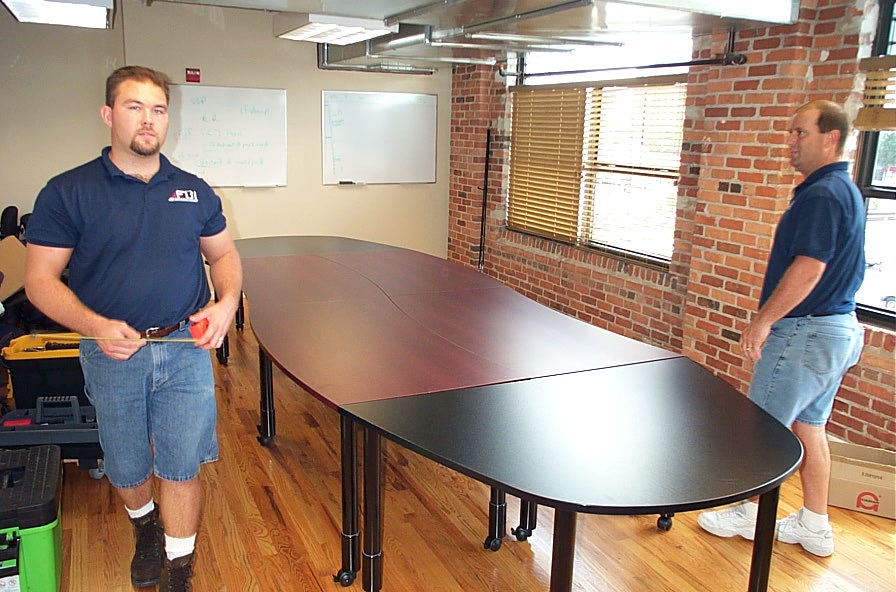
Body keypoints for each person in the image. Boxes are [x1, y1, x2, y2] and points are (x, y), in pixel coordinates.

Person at [24, 66, 243, 591]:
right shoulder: (68, 191)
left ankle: (178, 570)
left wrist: (226, 303)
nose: (148, 119)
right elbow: (39, 281)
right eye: (134, 107)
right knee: (125, 465)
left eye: (158, 109)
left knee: (182, 465)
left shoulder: (192, 190)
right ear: (108, 115)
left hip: (184, 347)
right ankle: (146, 527)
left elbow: (223, 255)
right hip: (112, 354)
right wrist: (96, 325)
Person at [697, 100, 866, 557]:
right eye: (791, 132)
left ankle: (747, 513)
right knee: (810, 427)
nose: (791, 142)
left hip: (805, 334)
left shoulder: (823, 195)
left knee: (762, 429)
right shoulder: (842, 189)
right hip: (836, 331)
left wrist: (762, 322)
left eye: (800, 133)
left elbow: (809, 269)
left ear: (831, 137)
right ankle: (815, 524)